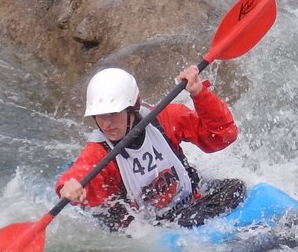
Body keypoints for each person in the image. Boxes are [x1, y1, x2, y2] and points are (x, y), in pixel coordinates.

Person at [56, 64, 249, 231]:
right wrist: (68, 187)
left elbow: (223, 135)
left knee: (236, 188)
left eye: (114, 113)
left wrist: (199, 93)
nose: (107, 124)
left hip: (189, 204)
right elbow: (81, 173)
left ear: (133, 107)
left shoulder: (164, 119)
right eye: (100, 115)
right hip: (151, 230)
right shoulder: (99, 151)